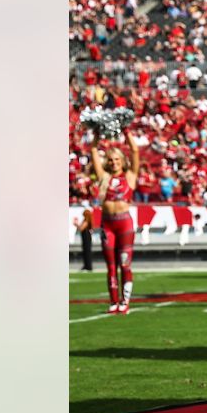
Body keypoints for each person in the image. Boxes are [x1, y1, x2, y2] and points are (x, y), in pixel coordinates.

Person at [90, 128, 140, 314]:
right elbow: (93, 151)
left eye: (117, 159)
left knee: (124, 263)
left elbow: (135, 151)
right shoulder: (104, 178)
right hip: (107, 224)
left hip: (124, 224)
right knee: (110, 266)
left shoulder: (130, 176)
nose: (114, 162)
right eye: (111, 160)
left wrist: (127, 132)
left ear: (122, 160)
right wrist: (96, 134)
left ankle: (125, 301)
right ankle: (113, 302)